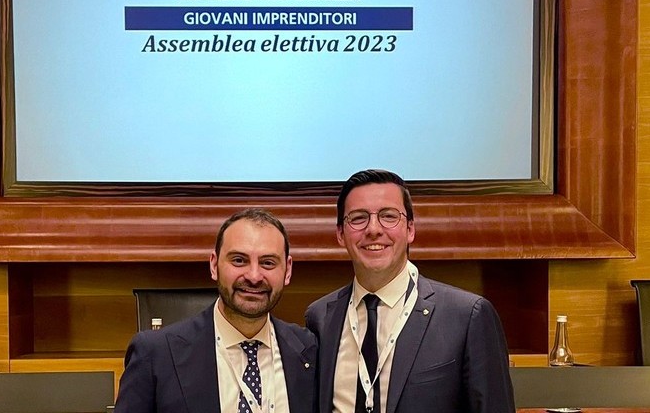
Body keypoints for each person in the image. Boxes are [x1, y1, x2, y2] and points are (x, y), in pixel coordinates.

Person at [305, 169, 515, 413]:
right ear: (341, 234)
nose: (373, 229)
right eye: (358, 218)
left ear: (410, 229)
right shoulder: (320, 318)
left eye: (389, 216)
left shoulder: (467, 317)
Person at [114, 208, 318, 413]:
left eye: (268, 263)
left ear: (287, 270)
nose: (254, 276)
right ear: (214, 265)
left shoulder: (310, 350)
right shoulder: (155, 354)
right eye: (239, 260)